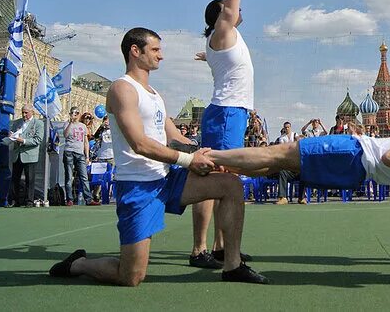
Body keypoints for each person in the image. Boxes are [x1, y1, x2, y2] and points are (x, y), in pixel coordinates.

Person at [48, 27, 267, 285]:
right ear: (135, 51)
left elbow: (176, 138)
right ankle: (78, 264)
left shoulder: (154, 94)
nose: (161, 56)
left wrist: (215, 156)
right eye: (155, 50)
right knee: (131, 277)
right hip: (138, 187)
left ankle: (232, 266)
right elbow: (140, 143)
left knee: (229, 185)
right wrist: (188, 160)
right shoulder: (122, 89)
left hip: (166, 179)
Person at [188, 0, 256, 268]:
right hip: (227, 113)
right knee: (215, 179)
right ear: (222, 15)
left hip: (232, 112)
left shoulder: (225, 37)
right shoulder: (224, 30)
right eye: (231, 10)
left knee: (223, 179)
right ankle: (200, 250)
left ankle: (219, 247)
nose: (239, 10)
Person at [206, 127, 390, 193]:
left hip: (352, 154)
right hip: (351, 163)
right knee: (276, 164)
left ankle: (207, 155)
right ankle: (217, 167)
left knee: (276, 153)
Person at [9, 104, 45, 207]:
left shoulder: (38, 123)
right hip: (17, 154)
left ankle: (29, 201)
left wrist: (23, 141)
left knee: (30, 180)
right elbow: (14, 135)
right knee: (15, 179)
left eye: (26, 113)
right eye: (23, 112)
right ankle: (15, 200)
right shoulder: (17, 123)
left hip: (30, 155)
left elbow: (38, 140)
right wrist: (12, 137)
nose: (24, 115)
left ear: (32, 112)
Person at [63, 107, 95, 206]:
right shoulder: (67, 124)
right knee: (69, 176)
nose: (75, 114)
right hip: (69, 151)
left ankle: (88, 199)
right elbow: (65, 135)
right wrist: (71, 122)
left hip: (80, 153)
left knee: (84, 176)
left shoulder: (83, 126)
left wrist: (87, 156)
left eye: (76, 113)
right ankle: (69, 199)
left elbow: (86, 142)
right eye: (73, 113)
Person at [92, 115, 114, 203]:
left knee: (110, 176)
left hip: (111, 155)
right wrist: (101, 127)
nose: (106, 122)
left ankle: (108, 194)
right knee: (99, 176)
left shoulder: (114, 130)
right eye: (105, 121)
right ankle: (96, 194)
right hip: (101, 155)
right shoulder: (101, 131)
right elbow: (95, 137)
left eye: (108, 121)